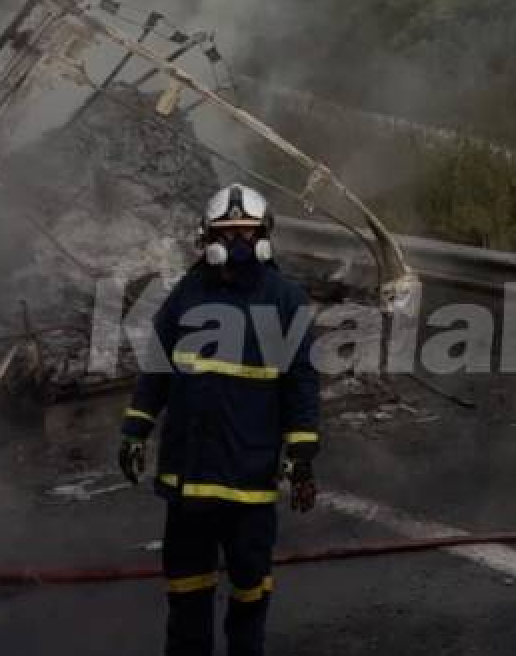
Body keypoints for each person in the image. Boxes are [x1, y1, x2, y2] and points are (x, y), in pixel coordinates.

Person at [117, 183, 320, 656]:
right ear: (207, 238)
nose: (237, 245)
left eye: (248, 234)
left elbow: (302, 382)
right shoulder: (186, 295)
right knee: (187, 593)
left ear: (266, 238)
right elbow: (157, 367)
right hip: (188, 478)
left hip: (248, 482)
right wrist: (135, 430)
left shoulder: (285, 300)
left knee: (250, 592)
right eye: (227, 234)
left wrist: (303, 454)